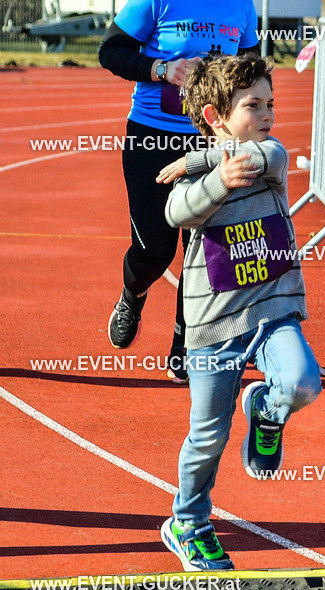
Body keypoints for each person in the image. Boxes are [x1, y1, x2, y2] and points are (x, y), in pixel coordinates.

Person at [156, 53, 322, 570]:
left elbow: (263, 156)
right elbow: (175, 211)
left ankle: (267, 411)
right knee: (207, 435)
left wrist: (200, 159)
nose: (267, 114)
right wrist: (213, 176)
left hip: (273, 310)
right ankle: (190, 523)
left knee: (302, 382)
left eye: (271, 103)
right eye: (253, 105)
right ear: (214, 116)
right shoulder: (194, 183)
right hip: (213, 324)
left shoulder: (269, 157)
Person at [98, 0, 259, 382]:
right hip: (151, 139)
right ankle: (132, 295)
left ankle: (185, 344)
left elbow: (252, 66)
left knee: (203, 251)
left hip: (212, 142)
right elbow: (110, 51)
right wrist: (161, 69)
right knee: (155, 250)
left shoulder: (242, 5)